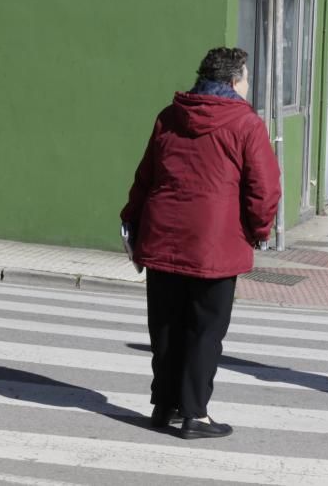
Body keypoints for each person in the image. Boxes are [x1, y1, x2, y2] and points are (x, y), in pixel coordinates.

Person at [121, 47, 280, 439]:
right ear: (233, 81)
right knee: (205, 330)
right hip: (215, 243)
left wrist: (132, 219)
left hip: (163, 237)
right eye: (245, 79)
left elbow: (146, 175)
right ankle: (196, 414)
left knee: (166, 326)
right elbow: (264, 188)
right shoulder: (245, 123)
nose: (247, 87)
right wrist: (260, 230)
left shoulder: (170, 117)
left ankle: (164, 405)